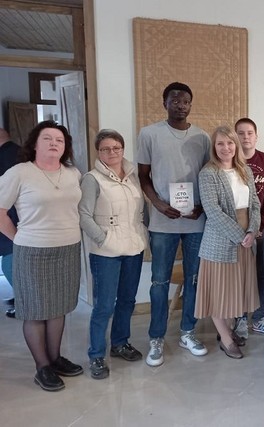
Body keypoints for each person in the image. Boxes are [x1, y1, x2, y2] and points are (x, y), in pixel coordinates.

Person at [0, 121, 83, 391]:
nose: (53, 143)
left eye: (59, 140)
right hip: (32, 251)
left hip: (68, 249)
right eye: (47, 138)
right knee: (35, 310)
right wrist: (18, 239)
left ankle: (55, 358)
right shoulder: (20, 172)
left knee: (58, 306)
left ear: (65, 147)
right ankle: (42, 367)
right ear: (34, 144)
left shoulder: (73, 173)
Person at [137, 82, 211, 367]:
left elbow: (209, 176)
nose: (180, 105)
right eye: (175, 100)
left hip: (195, 221)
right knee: (159, 281)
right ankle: (156, 337)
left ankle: (187, 332)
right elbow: (143, 175)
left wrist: (202, 206)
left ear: (191, 104)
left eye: (185, 101)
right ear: (164, 103)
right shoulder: (149, 134)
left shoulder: (202, 137)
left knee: (194, 278)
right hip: (162, 222)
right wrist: (157, 203)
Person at [79, 129, 148, 379]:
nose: (112, 152)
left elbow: (140, 210)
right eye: (105, 149)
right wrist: (103, 239)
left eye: (116, 148)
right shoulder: (92, 178)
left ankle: (120, 343)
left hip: (133, 247)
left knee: (127, 300)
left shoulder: (133, 176)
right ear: (98, 152)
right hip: (105, 252)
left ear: (122, 149)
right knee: (104, 305)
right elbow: (84, 215)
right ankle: (96, 355)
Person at [195, 126, 260, 359]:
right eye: (220, 143)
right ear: (214, 147)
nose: (226, 148)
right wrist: (240, 236)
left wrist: (252, 230)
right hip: (220, 241)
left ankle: (229, 330)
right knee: (219, 292)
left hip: (246, 239)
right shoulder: (208, 173)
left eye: (230, 143)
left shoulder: (245, 170)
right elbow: (213, 211)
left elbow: (255, 204)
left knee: (235, 291)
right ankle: (226, 339)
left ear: (236, 145)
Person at [234, 118, 264, 338]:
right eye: (241, 133)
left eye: (249, 133)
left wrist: (262, 225)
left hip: (262, 229)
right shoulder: (229, 161)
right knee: (240, 275)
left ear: (256, 136)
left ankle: (260, 317)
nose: (245, 137)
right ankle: (240, 318)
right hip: (236, 230)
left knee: (263, 273)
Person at [0, 128, 19, 318]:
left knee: (10, 261)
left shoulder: (3, 157)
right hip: (20, 214)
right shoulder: (20, 152)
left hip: (9, 215)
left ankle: (24, 301)